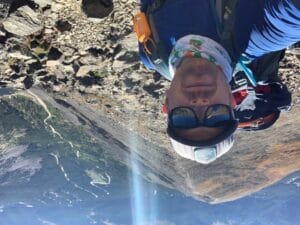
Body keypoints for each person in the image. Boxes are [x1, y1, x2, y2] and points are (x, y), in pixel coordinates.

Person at [134, 0, 300, 164]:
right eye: (216, 116)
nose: (200, 102)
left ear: (167, 105)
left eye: (184, 118)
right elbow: (288, 16)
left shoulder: (152, 53)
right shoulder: (253, 35)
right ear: (231, 100)